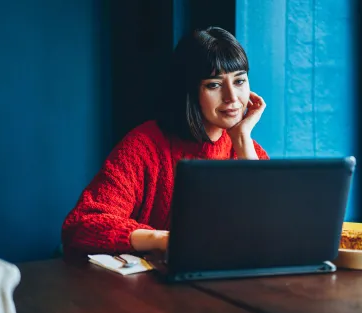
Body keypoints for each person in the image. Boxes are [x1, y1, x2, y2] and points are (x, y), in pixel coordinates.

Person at [61, 27, 269, 257]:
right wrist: (163, 239)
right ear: (189, 90)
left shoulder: (249, 149)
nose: (232, 97)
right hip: (151, 287)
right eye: (214, 85)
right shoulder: (144, 146)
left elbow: (272, 231)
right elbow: (81, 224)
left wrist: (242, 139)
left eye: (240, 81)